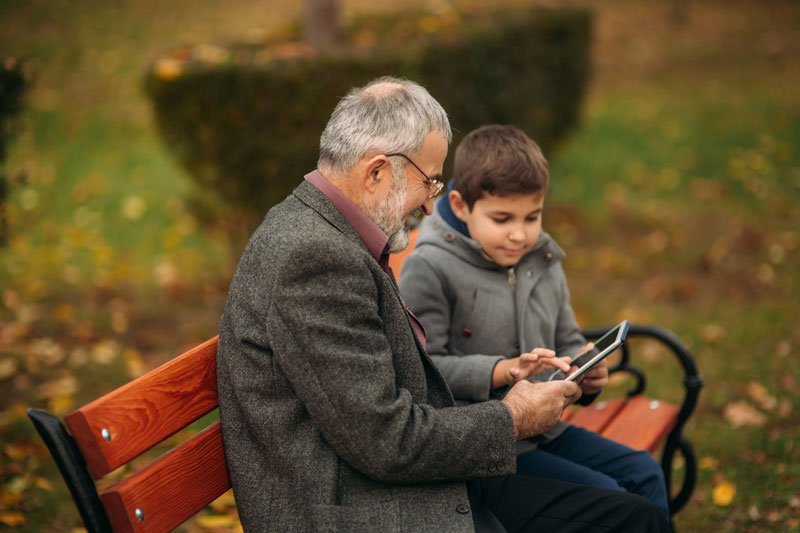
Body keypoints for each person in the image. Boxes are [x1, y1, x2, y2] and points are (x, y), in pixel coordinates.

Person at [216, 77, 670, 532]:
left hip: (399, 474)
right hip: (355, 508)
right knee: (632, 521)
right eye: (429, 183)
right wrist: (511, 417)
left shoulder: (327, 232)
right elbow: (385, 441)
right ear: (376, 173)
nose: (431, 209)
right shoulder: (314, 258)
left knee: (632, 511)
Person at [398, 124, 670, 518]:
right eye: (503, 218)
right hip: (489, 445)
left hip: (548, 428)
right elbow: (425, 369)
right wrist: (502, 370)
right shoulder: (430, 267)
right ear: (459, 205)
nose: (520, 235)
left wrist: (586, 369)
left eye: (532, 217)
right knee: (610, 497)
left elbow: (567, 337)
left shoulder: (540, 259)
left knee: (644, 474)